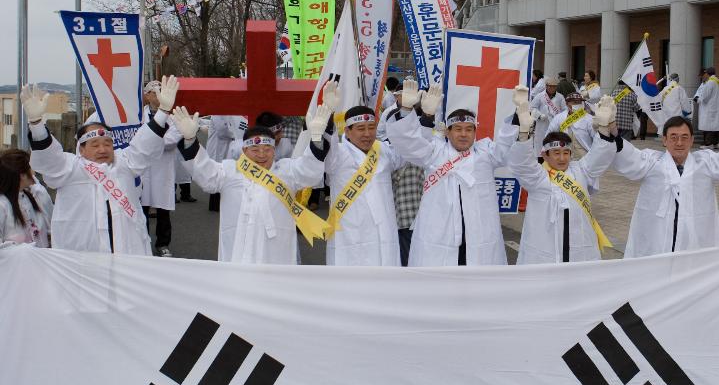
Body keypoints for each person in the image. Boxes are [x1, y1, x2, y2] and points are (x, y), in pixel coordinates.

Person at [22, 77, 179, 255]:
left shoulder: (124, 163)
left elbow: (145, 143)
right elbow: (49, 158)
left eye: (107, 143)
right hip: (83, 261)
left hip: (126, 255)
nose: (102, 149)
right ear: (81, 149)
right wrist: (36, 124)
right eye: (95, 145)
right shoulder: (70, 168)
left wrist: (163, 111)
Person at [605, 106, 719, 257]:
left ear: (692, 140)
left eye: (685, 137)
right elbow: (628, 156)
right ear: (664, 140)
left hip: (694, 246)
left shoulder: (705, 163)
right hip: (654, 244)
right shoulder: (651, 162)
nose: (679, 142)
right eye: (673, 137)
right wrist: (612, 129)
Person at [172, 106, 330, 265]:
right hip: (238, 256)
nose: (261, 154)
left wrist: (316, 138)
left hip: (277, 257)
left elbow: (310, 171)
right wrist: (190, 139)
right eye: (255, 149)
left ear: (274, 150)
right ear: (244, 150)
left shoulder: (287, 171)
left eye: (267, 149)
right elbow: (203, 171)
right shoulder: (229, 171)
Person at [385, 78, 513, 266]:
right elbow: (408, 143)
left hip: (478, 240)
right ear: (447, 132)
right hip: (439, 238)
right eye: (458, 129)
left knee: (479, 289)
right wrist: (418, 113)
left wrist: (519, 121)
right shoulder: (435, 152)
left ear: (475, 132)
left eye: (469, 129)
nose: (463, 134)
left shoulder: (485, 154)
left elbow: (508, 149)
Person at [505, 91, 619, 263]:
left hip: (579, 254)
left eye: (566, 152)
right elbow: (521, 163)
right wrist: (523, 134)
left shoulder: (580, 170)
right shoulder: (537, 176)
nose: (562, 158)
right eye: (556, 153)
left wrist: (604, 129)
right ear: (545, 154)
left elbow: (600, 156)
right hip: (544, 254)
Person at [319, 83, 408, 266]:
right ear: (348, 132)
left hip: (384, 234)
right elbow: (327, 145)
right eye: (361, 129)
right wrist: (328, 113)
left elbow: (410, 151)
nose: (367, 134)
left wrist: (407, 113)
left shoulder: (383, 150)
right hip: (350, 237)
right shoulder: (338, 154)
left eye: (371, 127)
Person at [140, 80, 182, 257]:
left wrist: (151, 142)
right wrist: (154, 142)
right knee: (140, 207)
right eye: (155, 92)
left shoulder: (172, 119)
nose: (158, 96)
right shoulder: (137, 116)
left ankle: (163, 243)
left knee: (164, 208)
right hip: (142, 167)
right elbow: (135, 138)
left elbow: (173, 139)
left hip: (162, 168)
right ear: (147, 95)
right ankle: (141, 241)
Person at [0, 149, 53, 248]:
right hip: (16, 262)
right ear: (22, 175)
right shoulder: (3, 204)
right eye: (30, 166)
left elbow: (51, 224)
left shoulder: (34, 195)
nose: (33, 171)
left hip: (40, 260)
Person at [205, 114, 247, 211]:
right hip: (218, 148)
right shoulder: (217, 114)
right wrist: (237, 134)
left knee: (226, 175)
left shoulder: (230, 113)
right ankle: (215, 205)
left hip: (228, 147)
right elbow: (222, 131)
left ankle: (223, 202)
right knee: (216, 176)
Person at [530, 75, 567, 151]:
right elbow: (532, 108)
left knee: (554, 145)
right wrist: (539, 115)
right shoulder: (540, 96)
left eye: (554, 86)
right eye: (550, 86)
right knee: (541, 145)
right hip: (542, 124)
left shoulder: (560, 97)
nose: (552, 88)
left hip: (556, 124)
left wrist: (561, 119)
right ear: (546, 86)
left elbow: (564, 109)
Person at [693, 68, 719, 147]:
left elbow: (704, 96)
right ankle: (716, 143)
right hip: (716, 108)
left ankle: (708, 143)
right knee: (715, 126)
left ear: (707, 74)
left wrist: (697, 99)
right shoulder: (718, 82)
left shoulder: (710, 82)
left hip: (709, 108)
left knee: (708, 126)